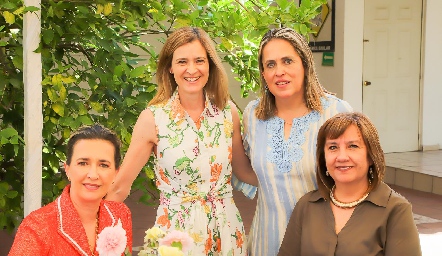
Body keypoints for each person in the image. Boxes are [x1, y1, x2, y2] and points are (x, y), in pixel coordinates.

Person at [106, 27, 253, 255]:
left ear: (210, 66)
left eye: (199, 61)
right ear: (170, 67)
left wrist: (294, 177)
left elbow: (244, 172)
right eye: (182, 61)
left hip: (226, 231)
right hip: (175, 236)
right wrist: (96, 235)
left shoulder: (228, 113)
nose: (191, 69)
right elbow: (119, 187)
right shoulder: (153, 119)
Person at [232, 27, 353, 256]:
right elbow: (254, 175)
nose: (279, 71)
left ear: (305, 65)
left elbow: (355, 182)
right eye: (270, 64)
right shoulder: (253, 115)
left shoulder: (336, 112)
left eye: (287, 61)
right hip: (266, 243)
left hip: (322, 244)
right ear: (263, 73)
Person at [278, 112, 422, 256]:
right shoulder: (307, 205)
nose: (341, 157)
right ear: (323, 157)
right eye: (333, 147)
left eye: (352, 146)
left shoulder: (395, 210)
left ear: (371, 156)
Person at [9, 124, 133, 255]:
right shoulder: (38, 225)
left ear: (116, 173)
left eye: (103, 165)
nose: (93, 175)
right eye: (83, 163)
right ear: (67, 169)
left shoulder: (120, 214)